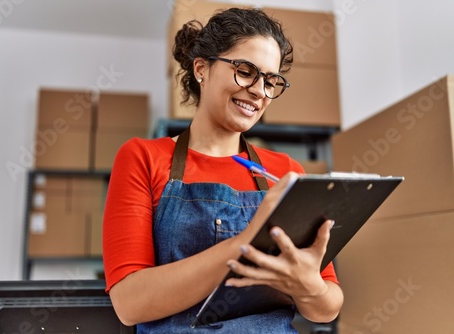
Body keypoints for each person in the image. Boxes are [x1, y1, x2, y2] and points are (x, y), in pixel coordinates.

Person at [103, 7, 344, 333]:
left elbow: (326, 307)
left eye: (271, 81)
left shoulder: (285, 171)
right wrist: (245, 243)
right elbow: (129, 303)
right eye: (246, 70)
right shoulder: (143, 158)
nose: (260, 91)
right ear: (202, 69)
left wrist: (308, 286)